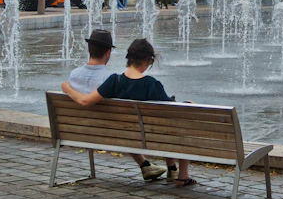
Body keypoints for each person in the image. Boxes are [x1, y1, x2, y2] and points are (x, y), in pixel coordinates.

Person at [62, 39, 196, 186]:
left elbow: (85, 101)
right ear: (146, 60)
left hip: (125, 135)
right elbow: (172, 112)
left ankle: (171, 169)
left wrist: (67, 88)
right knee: (184, 118)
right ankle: (182, 175)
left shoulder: (114, 81)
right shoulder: (152, 84)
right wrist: (187, 104)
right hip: (154, 137)